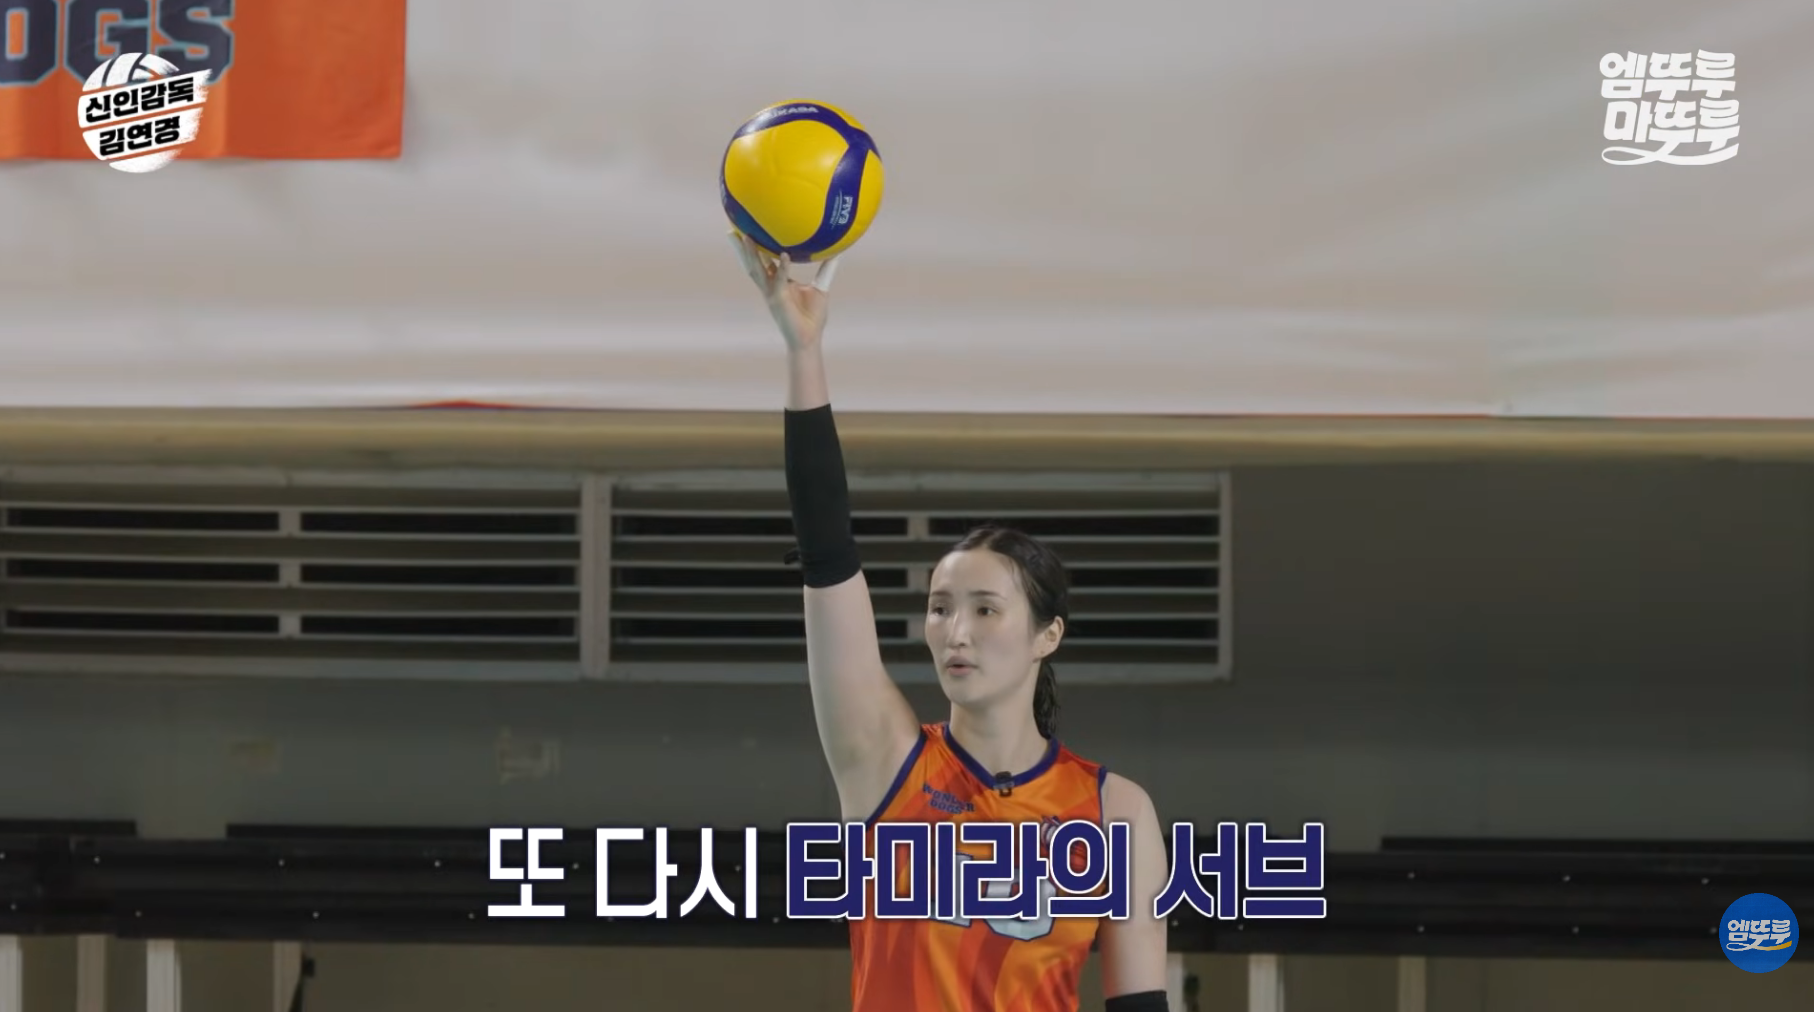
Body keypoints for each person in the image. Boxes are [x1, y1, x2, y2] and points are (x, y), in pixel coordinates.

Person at [730, 232, 1172, 1012]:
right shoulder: (885, 763)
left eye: (986, 609)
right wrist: (805, 352)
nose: (955, 631)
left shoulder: (1115, 812)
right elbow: (827, 553)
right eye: (940, 608)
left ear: (1047, 636)